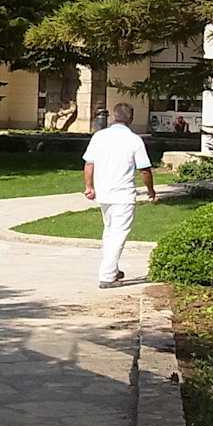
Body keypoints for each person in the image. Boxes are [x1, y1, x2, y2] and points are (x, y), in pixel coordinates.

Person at [83, 103, 157, 288]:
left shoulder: (99, 136)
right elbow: (144, 169)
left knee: (109, 232)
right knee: (118, 235)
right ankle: (107, 276)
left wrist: (89, 186)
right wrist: (150, 190)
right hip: (123, 194)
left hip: (103, 193)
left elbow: (89, 163)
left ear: (113, 117)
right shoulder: (134, 140)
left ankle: (112, 269)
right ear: (131, 118)